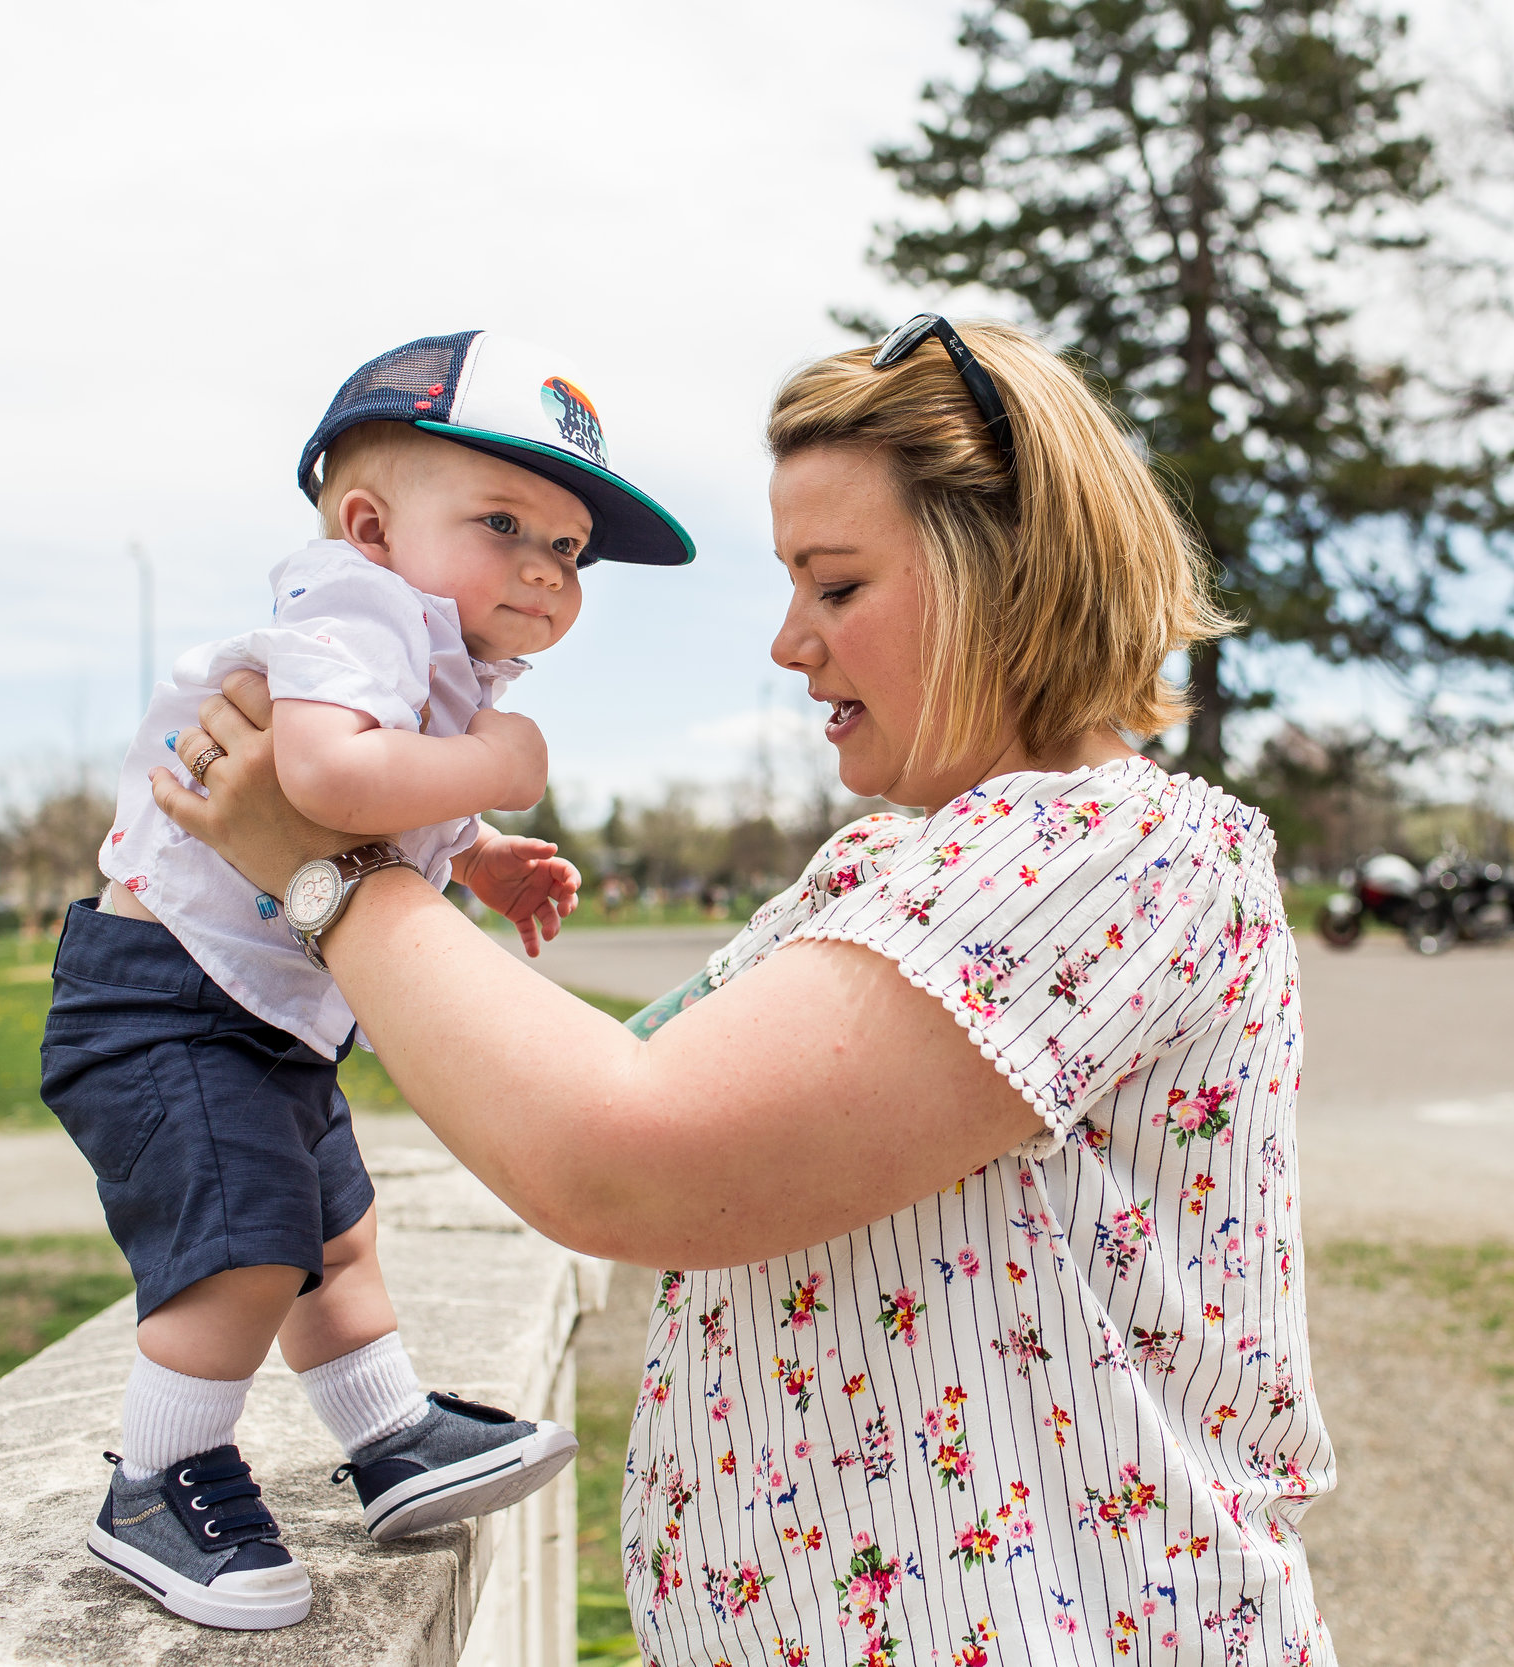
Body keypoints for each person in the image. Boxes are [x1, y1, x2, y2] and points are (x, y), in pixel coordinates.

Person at [150, 317, 1338, 1664]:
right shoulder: (900, 858)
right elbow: (579, 1072)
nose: (787, 641)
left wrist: (325, 873)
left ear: (1010, 575)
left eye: (834, 586)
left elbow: (623, 1156)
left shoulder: (1111, 849)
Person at [45, 331, 690, 1630]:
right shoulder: (358, 606)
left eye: (568, 549)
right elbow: (330, 779)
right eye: (504, 521)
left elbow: (390, 812)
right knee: (248, 1241)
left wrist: (484, 854)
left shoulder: (442, 660)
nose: (544, 567)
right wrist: (501, 766)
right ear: (369, 523)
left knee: (339, 1231)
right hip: (167, 997)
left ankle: (390, 1431)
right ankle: (160, 1478)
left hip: (263, 1009)